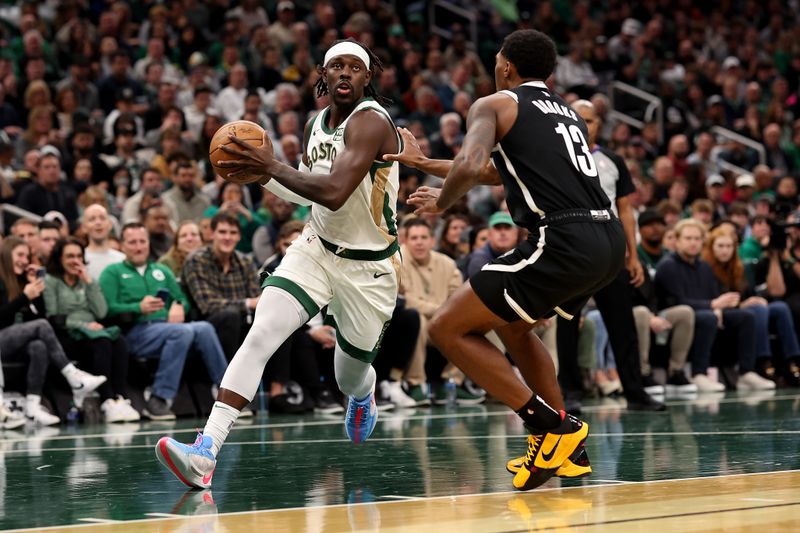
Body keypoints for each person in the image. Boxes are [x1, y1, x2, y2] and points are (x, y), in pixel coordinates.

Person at [156, 38, 403, 489]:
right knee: (262, 332)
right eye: (336, 66)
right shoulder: (315, 124)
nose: (345, 73)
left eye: (354, 67)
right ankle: (205, 451)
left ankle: (363, 394)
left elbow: (333, 191)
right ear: (322, 75)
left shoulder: (371, 123)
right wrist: (262, 172)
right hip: (316, 247)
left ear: (368, 77)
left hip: (369, 269)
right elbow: (310, 192)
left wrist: (270, 165)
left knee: (348, 376)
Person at [389, 30, 626, 490]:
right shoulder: (568, 114)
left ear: (505, 66)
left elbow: (472, 158)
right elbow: (497, 171)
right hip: (606, 237)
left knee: (446, 327)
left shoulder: (495, 104)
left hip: (562, 236)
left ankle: (552, 427)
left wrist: (443, 201)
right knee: (515, 327)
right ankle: (569, 455)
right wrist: (425, 164)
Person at [100, 223, 228, 420]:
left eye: (142, 241)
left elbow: (182, 299)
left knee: (205, 328)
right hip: (134, 330)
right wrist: (137, 308)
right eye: (132, 242)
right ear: (122, 246)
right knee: (181, 332)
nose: (138, 247)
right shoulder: (112, 272)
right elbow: (106, 309)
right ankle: (159, 398)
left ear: (148, 244)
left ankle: (227, 392)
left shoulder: (161, 270)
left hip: (166, 327)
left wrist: (178, 305)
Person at [0, 237, 106, 425]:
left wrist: (33, 294)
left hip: (16, 343)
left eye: (27, 255)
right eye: (20, 255)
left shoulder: (23, 282)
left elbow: (36, 319)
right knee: (41, 326)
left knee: (39, 346)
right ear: (7, 256)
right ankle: (73, 375)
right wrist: (24, 298)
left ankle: (33, 406)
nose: (24, 260)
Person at [654, 219, 770, 392]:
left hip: (703, 312)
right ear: (677, 240)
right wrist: (713, 305)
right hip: (673, 316)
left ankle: (746, 372)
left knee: (747, 316)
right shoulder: (668, 265)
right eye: (688, 238)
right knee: (708, 317)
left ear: (702, 241)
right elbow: (678, 301)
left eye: (697, 238)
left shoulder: (704, 267)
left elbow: (713, 296)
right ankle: (699, 373)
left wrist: (718, 308)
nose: (693, 243)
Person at [44, 238, 139, 422]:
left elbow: (101, 312)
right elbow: (53, 316)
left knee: (119, 341)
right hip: (66, 333)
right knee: (103, 342)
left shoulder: (86, 280)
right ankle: (107, 401)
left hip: (93, 331)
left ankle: (120, 398)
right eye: (70, 256)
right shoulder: (51, 281)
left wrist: (89, 283)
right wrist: (83, 326)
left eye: (79, 256)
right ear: (60, 258)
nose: (75, 260)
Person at [702, 227, 795, 387]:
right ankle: (761, 364)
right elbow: (714, 300)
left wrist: (758, 299)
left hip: (745, 309)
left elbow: (749, 293)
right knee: (756, 311)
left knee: (779, 307)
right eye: (720, 246)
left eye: (729, 246)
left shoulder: (740, 267)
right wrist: (743, 304)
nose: (725, 251)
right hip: (722, 313)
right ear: (711, 247)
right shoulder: (704, 268)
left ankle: (792, 361)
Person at [82, 204, 125, 280]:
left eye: (102, 218)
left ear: (110, 225)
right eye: (92, 219)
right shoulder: (81, 259)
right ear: (84, 227)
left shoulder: (123, 259)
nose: (98, 222)